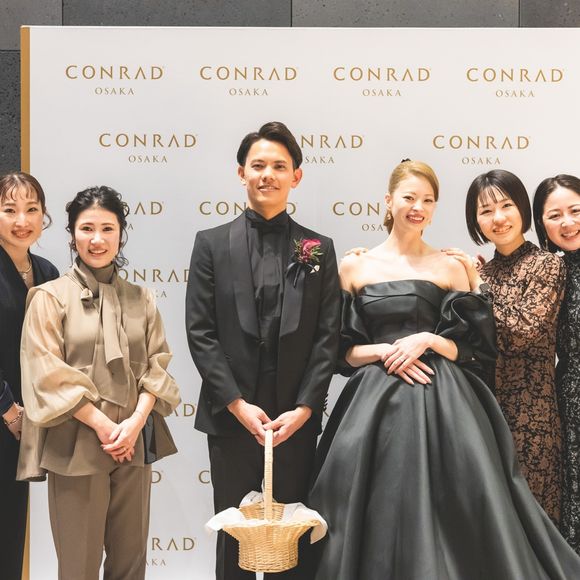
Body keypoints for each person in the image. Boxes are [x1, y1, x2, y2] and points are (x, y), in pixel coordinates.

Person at [308, 159, 580, 579]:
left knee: (469, 509)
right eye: (409, 197)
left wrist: (429, 340)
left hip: (447, 399)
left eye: (428, 200)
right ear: (388, 201)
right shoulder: (353, 265)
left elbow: (475, 348)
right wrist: (384, 351)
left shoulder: (453, 266)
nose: (418, 207)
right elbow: (339, 352)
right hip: (372, 405)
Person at [186, 121, 340, 579]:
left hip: (294, 422)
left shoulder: (318, 248)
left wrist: (306, 409)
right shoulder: (211, 244)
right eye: (258, 166)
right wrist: (236, 404)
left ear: (296, 176)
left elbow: (327, 337)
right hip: (231, 419)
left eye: (279, 166)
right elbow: (201, 332)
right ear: (241, 173)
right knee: (234, 542)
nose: (267, 174)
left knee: (293, 546)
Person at [17, 186, 180, 580]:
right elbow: (45, 371)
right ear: (72, 234)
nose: (97, 239)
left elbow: (158, 365)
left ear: (121, 233)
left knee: (130, 564)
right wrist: (105, 426)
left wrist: (134, 423)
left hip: (133, 444)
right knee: (79, 567)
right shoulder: (49, 297)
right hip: (76, 443)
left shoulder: (142, 298)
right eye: (86, 228)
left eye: (108, 228)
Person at [445, 169, 565, 524]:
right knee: (492, 524)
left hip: (533, 415)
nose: (497, 218)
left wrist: (477, 284)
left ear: (523, 209)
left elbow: (519, 332)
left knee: (533, 521)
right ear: (475, 220)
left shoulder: (547, 265)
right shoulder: (484, 272)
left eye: (506, 206)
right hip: (483, 411)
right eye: (485, 211)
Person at [0, 172, 58, 580]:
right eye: (9, 210)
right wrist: (9, 411)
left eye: (31, 209)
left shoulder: (48, 272)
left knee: (10, 529)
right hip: (9, 415)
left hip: (26, 428)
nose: (22, 220)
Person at [533, 174, 580, 552]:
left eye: (576, 211)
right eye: (555, 215)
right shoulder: (550, 272)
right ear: (542, 224)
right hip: (571, 398)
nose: (567, 222)